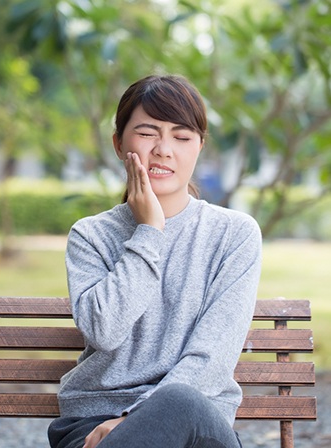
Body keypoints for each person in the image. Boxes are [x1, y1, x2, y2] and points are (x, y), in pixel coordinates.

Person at [48, 74, 262, 448]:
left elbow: (210, 360)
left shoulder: (234, 234)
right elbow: (105, 331)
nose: (164, 149)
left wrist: (135, 419)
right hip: (93, 424)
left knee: (179, 401)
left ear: (199, 147)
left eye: (181, 137)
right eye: (148, 133)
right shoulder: (91, 236)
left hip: (199, 426)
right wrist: (149, 231)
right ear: (118, 143)